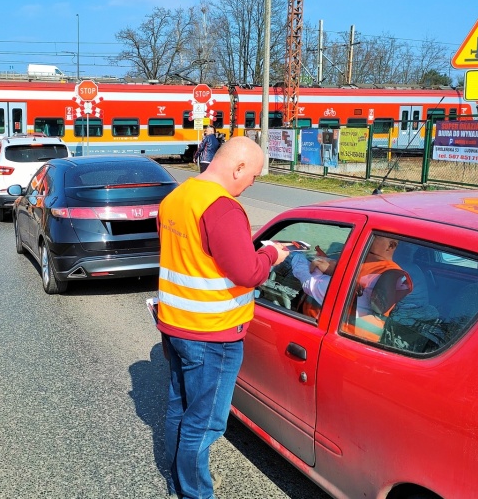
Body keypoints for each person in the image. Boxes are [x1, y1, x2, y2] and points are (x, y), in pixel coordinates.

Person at [156, 136, 290, 498]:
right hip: (212, 336)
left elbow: (199, 257)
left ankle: (177, 483)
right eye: (253, 176)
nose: (252, 184)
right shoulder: (223, 207)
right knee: (205, 425)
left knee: (179, 411)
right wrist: (273, 254)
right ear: (238, 167)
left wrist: (249, 251)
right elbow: (248, 273)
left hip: (176, 326)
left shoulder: (177, 198)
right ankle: (196, 494)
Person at [288, 236, 412, 341]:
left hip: (346, 339)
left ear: (391, 246)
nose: (362, 240)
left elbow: (370, 298)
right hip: (314, 326)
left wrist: (337, 271)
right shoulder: (358, 260)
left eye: (372, 237)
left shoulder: (393, 275)